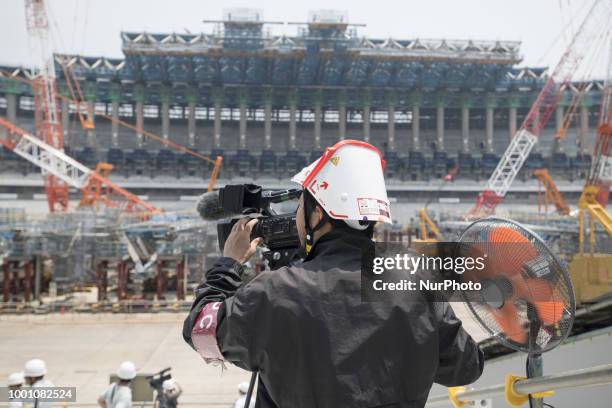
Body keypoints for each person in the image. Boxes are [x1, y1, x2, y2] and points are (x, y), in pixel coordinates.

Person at [183, 140, 484, 407]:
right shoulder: (416, 278)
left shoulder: (275, 292)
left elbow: (201, 332)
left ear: (318, 214)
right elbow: (467, 366)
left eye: (301, 205)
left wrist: (228, 264)